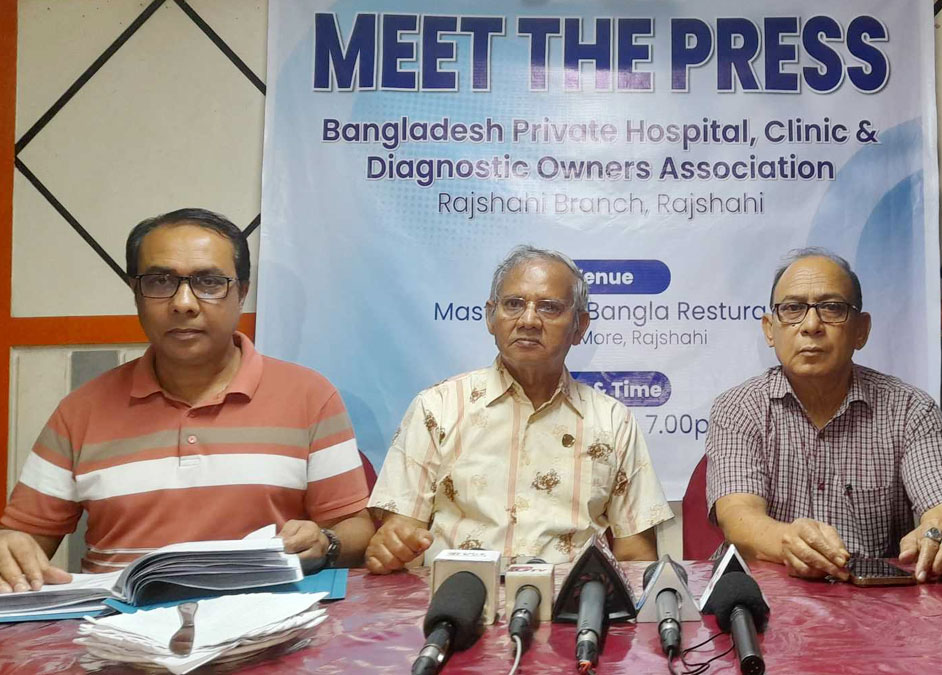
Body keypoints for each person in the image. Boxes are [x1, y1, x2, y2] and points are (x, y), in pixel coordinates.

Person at [0, 208, 374, 592]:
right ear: (136, 293)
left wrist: (327, 543)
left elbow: (357, 530)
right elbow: (23, 542)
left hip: (270, 619)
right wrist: (8, 549)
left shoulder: (309, 396)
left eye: (209, 282)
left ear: (242, 292)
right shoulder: (80, 411)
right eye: (160, 281)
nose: (183, 303)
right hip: (117, 622)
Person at [365, 245, 672, 570]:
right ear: (490, 317)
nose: (528, 320)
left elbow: (636, 557)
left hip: (570, 598)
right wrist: (392, 548)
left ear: (580, 327)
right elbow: (401, 535)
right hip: (459, 595)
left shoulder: (612, 421)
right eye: (513, 304)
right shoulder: (438, 407)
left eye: (549, 308)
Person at [706, 248, 942, 583]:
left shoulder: (909, 410)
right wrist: (787, 541)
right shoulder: (738, 408)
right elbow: (738, 517)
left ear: (861, 330)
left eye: (832, 308)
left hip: (874, 600)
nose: (811, 325)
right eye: (792, 309)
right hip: (766, 595)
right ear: (769, 330)